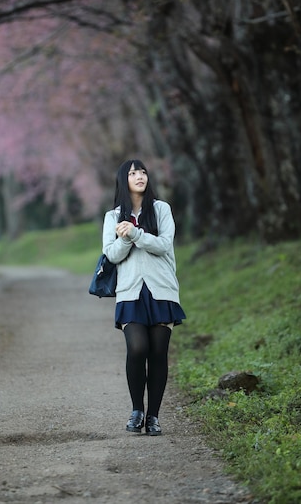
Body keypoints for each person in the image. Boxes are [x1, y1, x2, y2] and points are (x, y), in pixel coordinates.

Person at [102, 159, 186, 436]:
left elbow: (163, 246)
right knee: (137, 349)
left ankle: (153, 417)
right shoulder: (112, 217)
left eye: (142, 172)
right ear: (123, 181)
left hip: (162, 291)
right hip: (130, 293)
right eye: (132, 173)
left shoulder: (161, 209)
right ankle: (137, 409)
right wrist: (125, 237)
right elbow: (111, 255)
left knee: (158, 353)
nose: (139, 176)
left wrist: (135, 232)